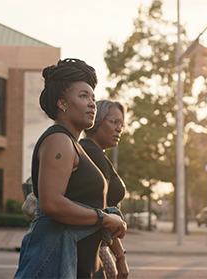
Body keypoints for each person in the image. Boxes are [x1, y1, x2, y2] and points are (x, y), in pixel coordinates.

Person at [14, 58, 126, 279]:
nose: (92, 103)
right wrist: (105, 218)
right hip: (58, 264)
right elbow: (52, 204)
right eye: (83, 96)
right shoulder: (59, 140)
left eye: (93, 97)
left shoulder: (74, 145)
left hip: (80, 263)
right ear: (62, 103)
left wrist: (119, 254)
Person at [80, 100, 129, 279]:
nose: (119, 129)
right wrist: (120, 256)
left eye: (122, 124)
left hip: (96, 245)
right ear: (97, 120)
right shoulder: (91, 153)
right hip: (92, 249)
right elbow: (103, 210)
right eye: (114, 122)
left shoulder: (94, 152)